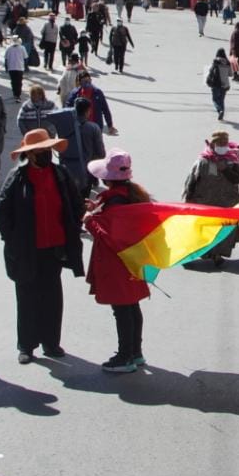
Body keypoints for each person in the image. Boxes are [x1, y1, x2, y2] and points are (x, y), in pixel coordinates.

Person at [0, 129, 84, 364]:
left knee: (52, 297)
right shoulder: (17, 177)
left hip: (54, 249)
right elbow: (1, 214)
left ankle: (51, 343)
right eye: (39, 151)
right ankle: (26, 345)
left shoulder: (60, 174)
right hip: (26, 250)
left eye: (46, 150)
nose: (44, 155)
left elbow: (75, 205)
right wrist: (13, 240)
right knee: (27, 297)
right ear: (30, 155)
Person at [84, 150, 151, 373]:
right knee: (131, 306)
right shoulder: (131, 195)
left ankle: (125, 357)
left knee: (122, 309)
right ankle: (135, 352)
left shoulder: (115, 203)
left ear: (107, 178)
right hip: (132, 260)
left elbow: (111, 238)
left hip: (117, 263)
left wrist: (90, 221)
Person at [182, 130, 239, 264]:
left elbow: (237, 179)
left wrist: (225, 169)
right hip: (204, 203)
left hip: (225, 203)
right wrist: (189, 199)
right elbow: (192, 180)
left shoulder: (232, 160)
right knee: (201, 230)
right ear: (213, 144)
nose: (222, 145)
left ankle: (216, 255)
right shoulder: (203, 160)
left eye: (224, 143)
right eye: (219, 143)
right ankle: (191, 254)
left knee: (221, 231)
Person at [73, 98, 106, 197]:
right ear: (88, 111)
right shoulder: (93, 127)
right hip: (87, 170)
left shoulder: (68, 126)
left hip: (69, 167)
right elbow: (100, 152)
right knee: (84, 198)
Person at [205, 47, 232, 121]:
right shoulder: (227, 63)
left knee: (215, 99)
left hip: (216, 84)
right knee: (221, 100)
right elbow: (231, 74)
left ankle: (219, 110)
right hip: (225, 85)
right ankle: (222, 113)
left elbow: (210, 71)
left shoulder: (215, 62)